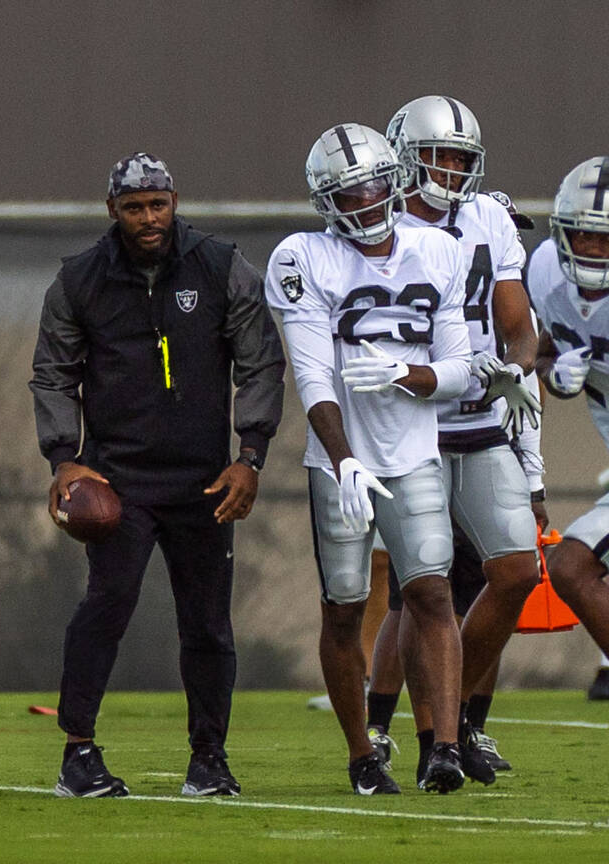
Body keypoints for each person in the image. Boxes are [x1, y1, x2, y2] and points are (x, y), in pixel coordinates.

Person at [29, 152, 286, 798]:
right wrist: (64, 458)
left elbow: (260, 363)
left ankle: (209, 758)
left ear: (176, 201)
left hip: (204, 479)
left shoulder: (223, 267)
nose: (149, 218)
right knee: (107, 605)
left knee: (207, 622)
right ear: (111, 210)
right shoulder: (80, 280)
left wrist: (250, 454)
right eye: (135, 207)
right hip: (119, 478)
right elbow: (53, 372)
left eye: (159, 204)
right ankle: (78, 752)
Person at [265, 123, 472, 794]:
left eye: (375, 185)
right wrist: (344, 458)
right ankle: (361, 752)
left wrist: (408, 376)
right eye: (348, 192)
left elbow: (461, 369)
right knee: (345, 606)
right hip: (340, 464)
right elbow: (313, 374)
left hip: (413, 452)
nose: (365, 200)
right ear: (326, 202)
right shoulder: (302, 256)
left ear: (396, 180)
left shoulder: (437, 250)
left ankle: (443, 746)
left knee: (431, 591)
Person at [361, 100, 542, 787]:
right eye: (443, 156)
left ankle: (455, 713)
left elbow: (518, 327)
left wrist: (516, 370)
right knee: (424, 590)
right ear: (408, 156)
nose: (455, 171)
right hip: (413, 425)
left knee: (518, 570)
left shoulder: (489, 218)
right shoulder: (377, 222)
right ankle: (423, 734)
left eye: (465, 159)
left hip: (480, 417)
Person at [528, 156, 609, 695]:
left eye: (605, 240)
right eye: (584, 237)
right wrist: (557, 375)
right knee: (571, 568)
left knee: (571, 567)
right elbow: (538, 357)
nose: (594, 250)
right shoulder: (542, 273)